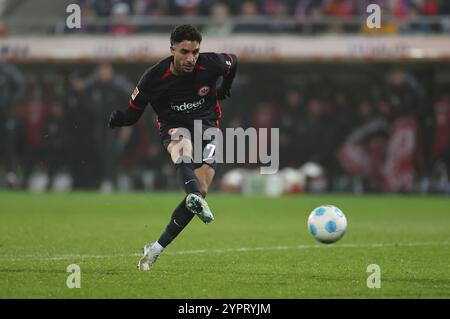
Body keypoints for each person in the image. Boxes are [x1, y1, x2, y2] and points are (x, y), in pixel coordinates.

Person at [108, 24, 238, 271]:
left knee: (202, 190)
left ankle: (155, 248)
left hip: (208, 127)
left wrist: (226, 86)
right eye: (184, 52)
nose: (191, 58)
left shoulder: (212, 64)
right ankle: (193, 195)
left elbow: (234, 61)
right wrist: (121, 119)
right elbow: (133, 113)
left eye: (195, 52)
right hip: (174, 125)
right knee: (182, 148)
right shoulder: (152, 78)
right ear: (172, 50)